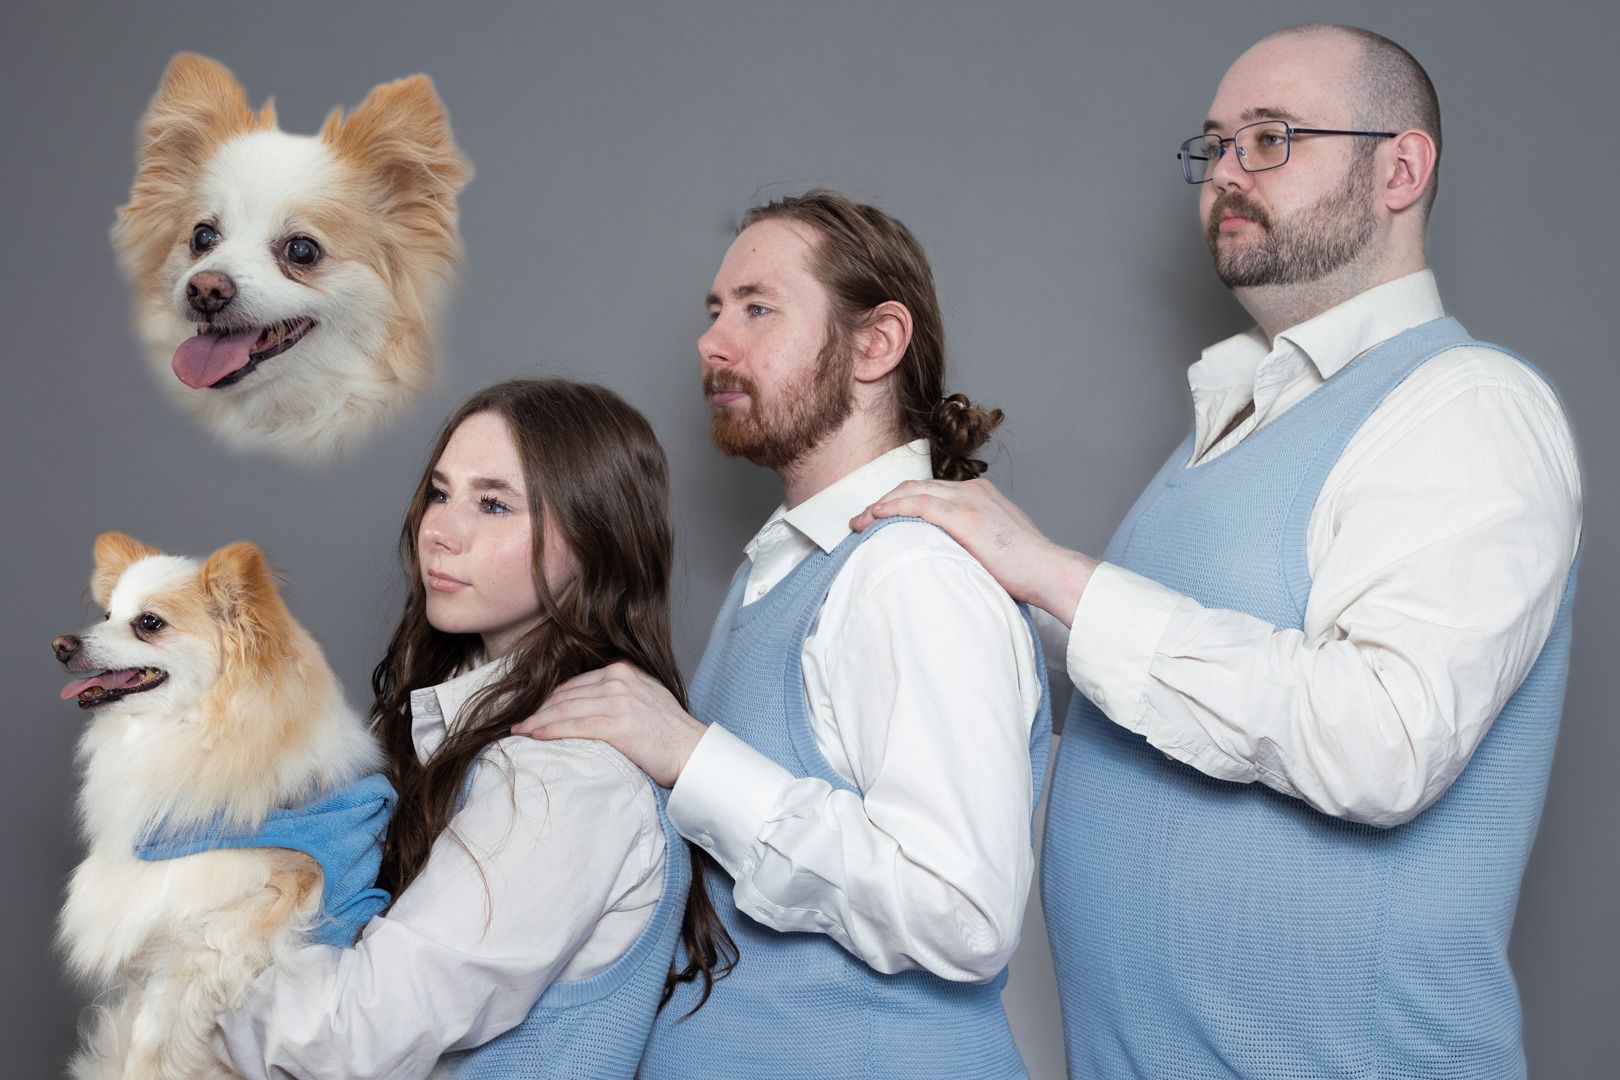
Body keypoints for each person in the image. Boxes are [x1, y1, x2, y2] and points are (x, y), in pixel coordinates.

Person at [853, 23, 1582, 1079]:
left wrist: (1057, 574)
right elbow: (1156, 682)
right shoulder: (1235, 420)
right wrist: (974, 580)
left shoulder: (1468, 406)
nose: (1227, 173)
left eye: (1271, 138)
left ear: (1400, 169)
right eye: (1215, 145)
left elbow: (1383, 737)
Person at [514, 190, 1052, 1077]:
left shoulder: (910, 575)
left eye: (757, 309)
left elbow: (961, 909)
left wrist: (690, 756)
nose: (712, 342)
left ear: (876, 343)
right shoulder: (783, 568)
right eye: (715, 311)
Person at [153, 379, 735, 1078]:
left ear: (595, 539)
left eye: (493, 504)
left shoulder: (566, 780)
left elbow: (352, 1036)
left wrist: (181, 952)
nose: (440, 531)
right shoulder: (444, 719)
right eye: (439, 492)